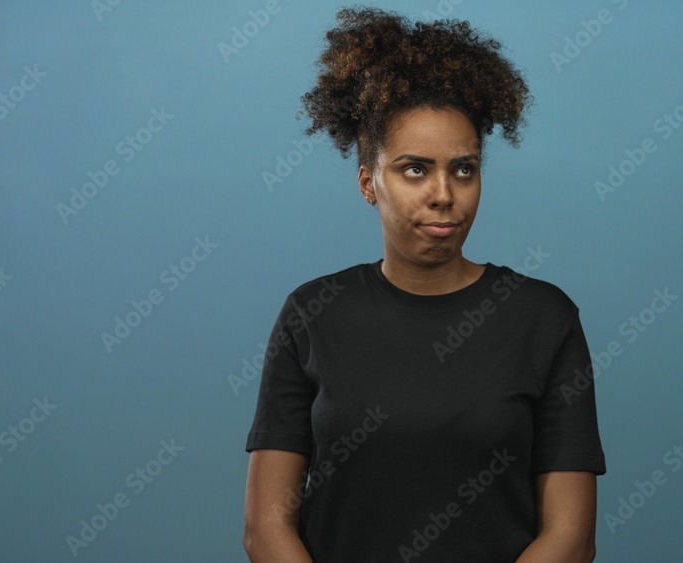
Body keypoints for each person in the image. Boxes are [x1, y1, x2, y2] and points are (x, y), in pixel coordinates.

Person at [243, 7, 606, 562]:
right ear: (368, 182)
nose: (444, 194)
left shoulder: (543, 318)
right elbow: (266, 530)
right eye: (415, 169)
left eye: (464, 169)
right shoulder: (312, 313)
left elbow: (571, 539)